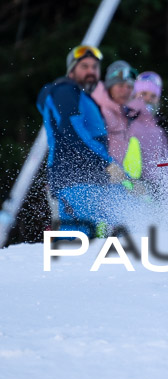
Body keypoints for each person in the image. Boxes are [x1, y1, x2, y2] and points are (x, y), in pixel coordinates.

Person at [36, 45, 135, 237]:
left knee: (101, 240)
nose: (91, 71)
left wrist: (120, 177)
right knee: (75, 243)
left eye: (95, 67)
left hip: (91, 180)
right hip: (74, 180)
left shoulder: (83, 97)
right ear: (71, 69)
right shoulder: (64, 91)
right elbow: (73, 132)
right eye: (84, 66)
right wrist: (106, 164)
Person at [121, 72, 168, 196]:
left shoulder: (159, 132)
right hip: (128, 189)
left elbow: (164, 165)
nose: (148, 99)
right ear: (134, 95)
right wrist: (128, 183)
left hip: (153, 191)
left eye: (153, 96)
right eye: (143, 94)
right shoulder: (124, 122)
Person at [91, 60, 138, 166]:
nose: (125, 91)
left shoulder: (125, 113)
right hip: (100, 173)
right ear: (110, 86)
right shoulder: (98, 109)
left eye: (129, 87)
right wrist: (107, 165)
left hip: (116, 175)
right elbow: (90, 144)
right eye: (120, 86)